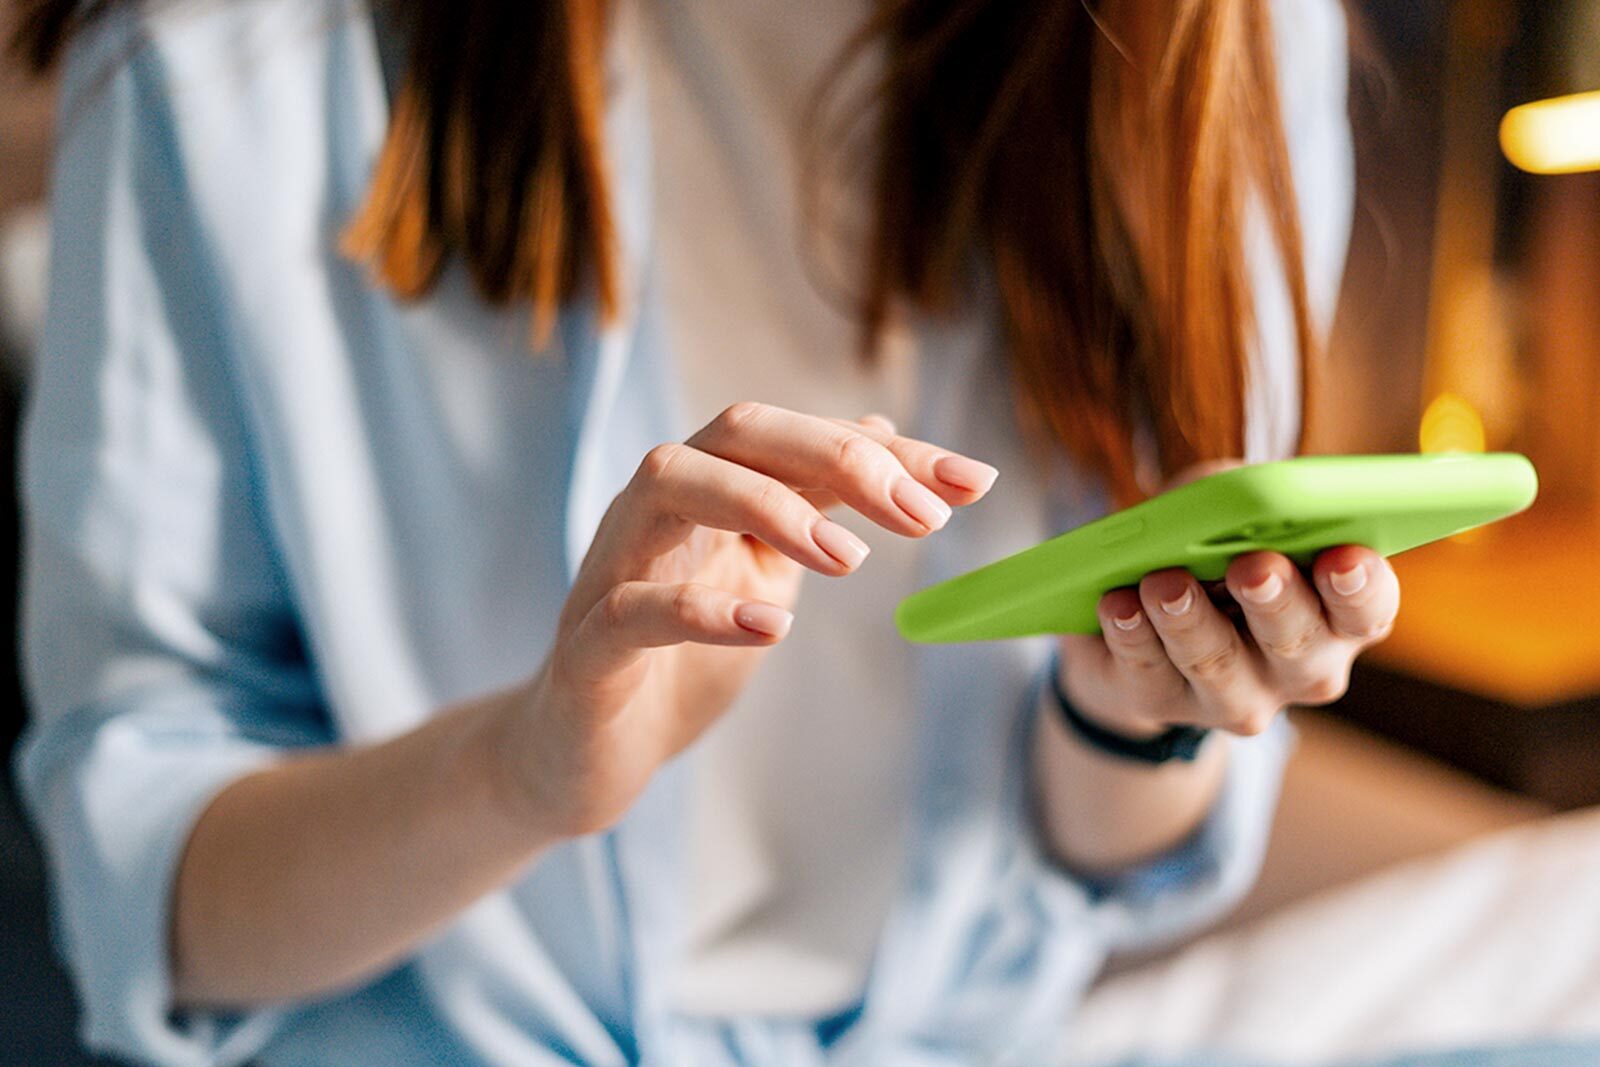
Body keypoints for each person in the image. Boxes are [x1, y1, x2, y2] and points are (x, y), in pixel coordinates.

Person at [11, 0, 1384, 1063]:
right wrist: (523, 772)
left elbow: (1098, 869)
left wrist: (1136, 707)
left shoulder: (1217, 44)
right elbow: (142, 894)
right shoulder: (226, 56)